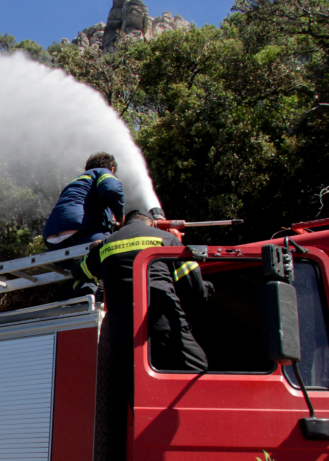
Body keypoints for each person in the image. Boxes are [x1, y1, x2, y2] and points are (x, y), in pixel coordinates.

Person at [70, 210, 212, 374]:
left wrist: (93, 251)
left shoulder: (105, 246)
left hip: (123, 335)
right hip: (164, 325)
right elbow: (194, 289)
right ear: (150, 223)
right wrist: (208, 288)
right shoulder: (167, 239)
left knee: (136, 389)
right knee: (198, 370)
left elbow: (78, 271)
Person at [44, 152, 126, 297]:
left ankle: (83, 291)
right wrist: (121, 217)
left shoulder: (77, 183)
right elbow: (113, 189)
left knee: (85, 270)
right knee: (116, 247)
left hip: (53, 246)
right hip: (83, 236)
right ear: (112, 169)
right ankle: (102, 293)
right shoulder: (102, 172)